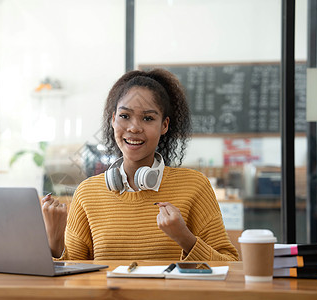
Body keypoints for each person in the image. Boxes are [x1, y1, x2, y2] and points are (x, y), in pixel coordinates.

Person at [41, 68, 239, 261]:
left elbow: (230, 264)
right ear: (113, 119)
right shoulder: (87, 193)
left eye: (148, 118)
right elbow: (70, 276)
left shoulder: (195, 186)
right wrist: (54, 238)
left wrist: (184, 238)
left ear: (164, 125)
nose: (134, 127)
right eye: (124, 116)